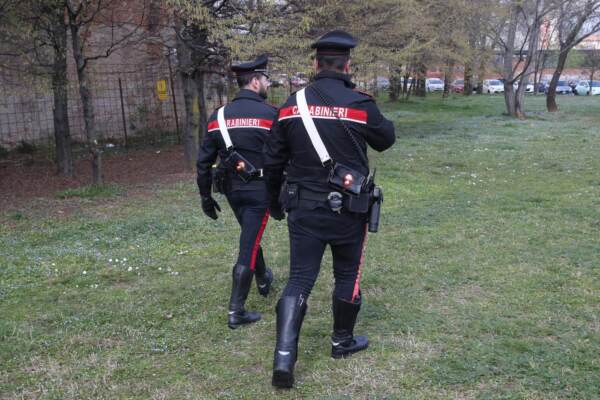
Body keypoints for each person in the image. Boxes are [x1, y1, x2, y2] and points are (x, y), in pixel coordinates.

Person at [263, 30, 396, 388]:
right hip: (349, 209)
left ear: (315, 63)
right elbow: (386, 140)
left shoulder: (291, 104)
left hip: (303, 208)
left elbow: (272, 160)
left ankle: (284, 358)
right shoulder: (360, 103)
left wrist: (274, 203)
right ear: (347, 64)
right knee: (347, 274)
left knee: (300, 279)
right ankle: (341, 341)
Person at [196, 55, 280, 329]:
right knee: (248, 244)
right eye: (265, 79)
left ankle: (264, 278)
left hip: (232, 191)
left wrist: (206, 196)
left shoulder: (217, 116)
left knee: (250, 234)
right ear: (255, 81)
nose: (267, 83)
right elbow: (284, 156)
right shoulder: (271, 115)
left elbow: (203, 162)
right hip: (260, 190)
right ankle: (236, 311)